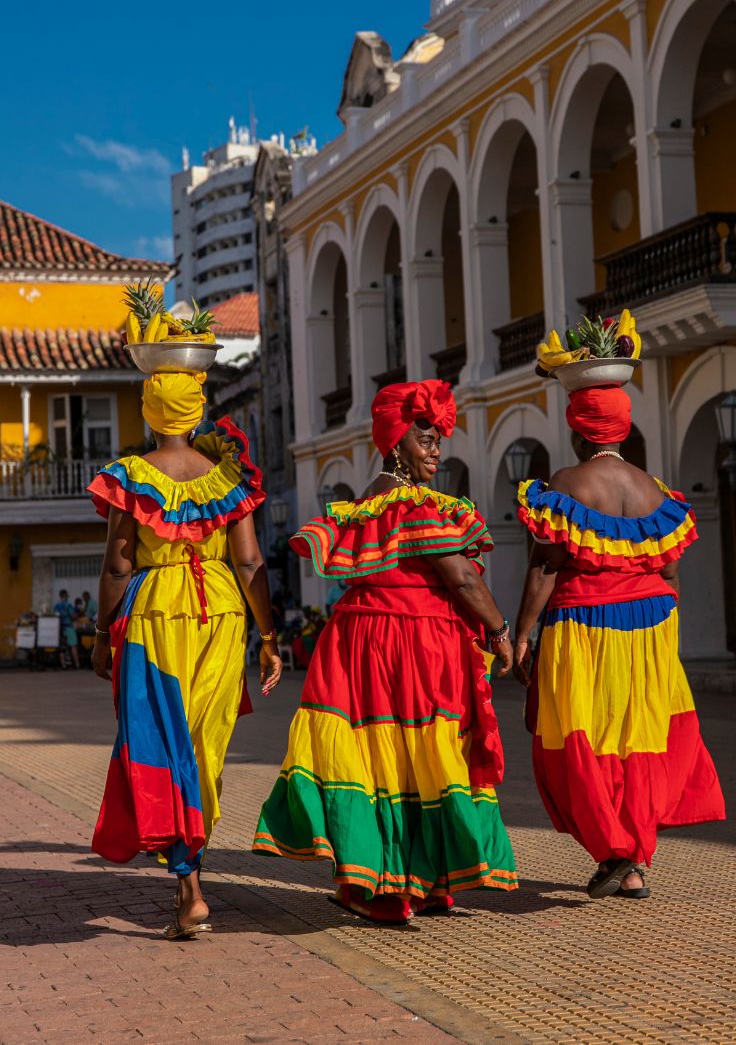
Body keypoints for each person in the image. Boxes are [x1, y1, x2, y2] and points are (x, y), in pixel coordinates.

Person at [254, 379, 518, 924]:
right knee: (420, 753)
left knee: (379, 759)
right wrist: (499, 631)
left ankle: (396, 884)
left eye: (438, 441)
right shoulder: (415, 506)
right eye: (425, 439)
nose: (435, 451)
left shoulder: (362, 504)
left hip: (359, 644)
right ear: (397, 442)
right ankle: (406, 886)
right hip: (411, 644)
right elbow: (462, 577)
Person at [87, 370, 282, 938]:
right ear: (197, 413)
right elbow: (249, 564)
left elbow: (119, 566)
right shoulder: (229, 478)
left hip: (155, 617)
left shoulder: (132, 476)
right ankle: (189, 877)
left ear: (150, 414)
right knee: (202, 744)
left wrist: (102, 635)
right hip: (222, 614)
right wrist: (269, 637)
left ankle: (189, 887)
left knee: (159, 743)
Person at [513, 382, 725, 899]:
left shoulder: (568, 483)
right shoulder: (656, 492)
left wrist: (521, 635)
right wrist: (664, 642)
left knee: (582, 736)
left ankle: (615, 851)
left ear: (577, 431)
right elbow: (671, 572)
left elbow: (545, 566)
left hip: (585, 627)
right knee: (638, 737)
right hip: (650, 628)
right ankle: (632, 861)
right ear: (622, 429)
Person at [53, 589, 80, 670]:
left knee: (62, 648)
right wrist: (77, 615)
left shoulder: (56, 606)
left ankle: (63, 665)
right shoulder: (68, 605)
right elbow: (73, 616)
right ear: (65, 596)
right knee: (73, 647)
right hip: (69, 628)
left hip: (60, 629)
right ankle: (77, 664)